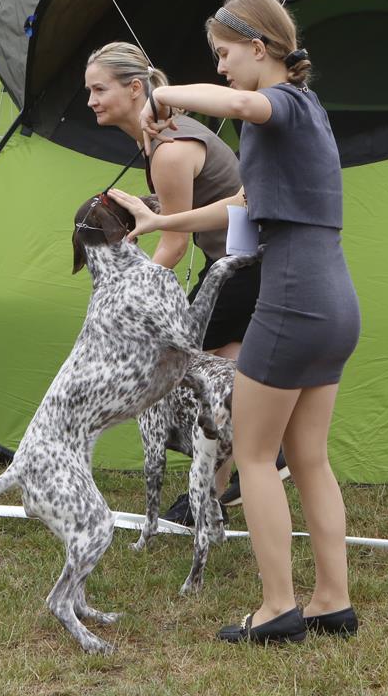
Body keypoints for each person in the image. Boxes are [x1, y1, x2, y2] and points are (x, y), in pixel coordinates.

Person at [109, 0, 361, 644]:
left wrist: (162, 95)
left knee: (251, 456)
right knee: (309, 458)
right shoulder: (305, 115)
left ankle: (277, 608)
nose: (219, 67)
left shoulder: (278, 104)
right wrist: (162, 221)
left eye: (223, 53)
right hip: (335, 300)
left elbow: (245, 102)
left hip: (293, 298)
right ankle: (331, 601)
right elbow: (243, 207)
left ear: (258, 47)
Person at [83, 42, 268, 522]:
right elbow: (186, 208)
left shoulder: (167, 148)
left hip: (241, 267)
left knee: (171, 368)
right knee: (223, 371)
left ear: (135, 88)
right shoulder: (163, 136)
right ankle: (209, 497)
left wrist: (126, 301)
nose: (91, 101)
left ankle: (263, 452)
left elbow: (175, 244)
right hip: (245, 263)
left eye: (99, 89)